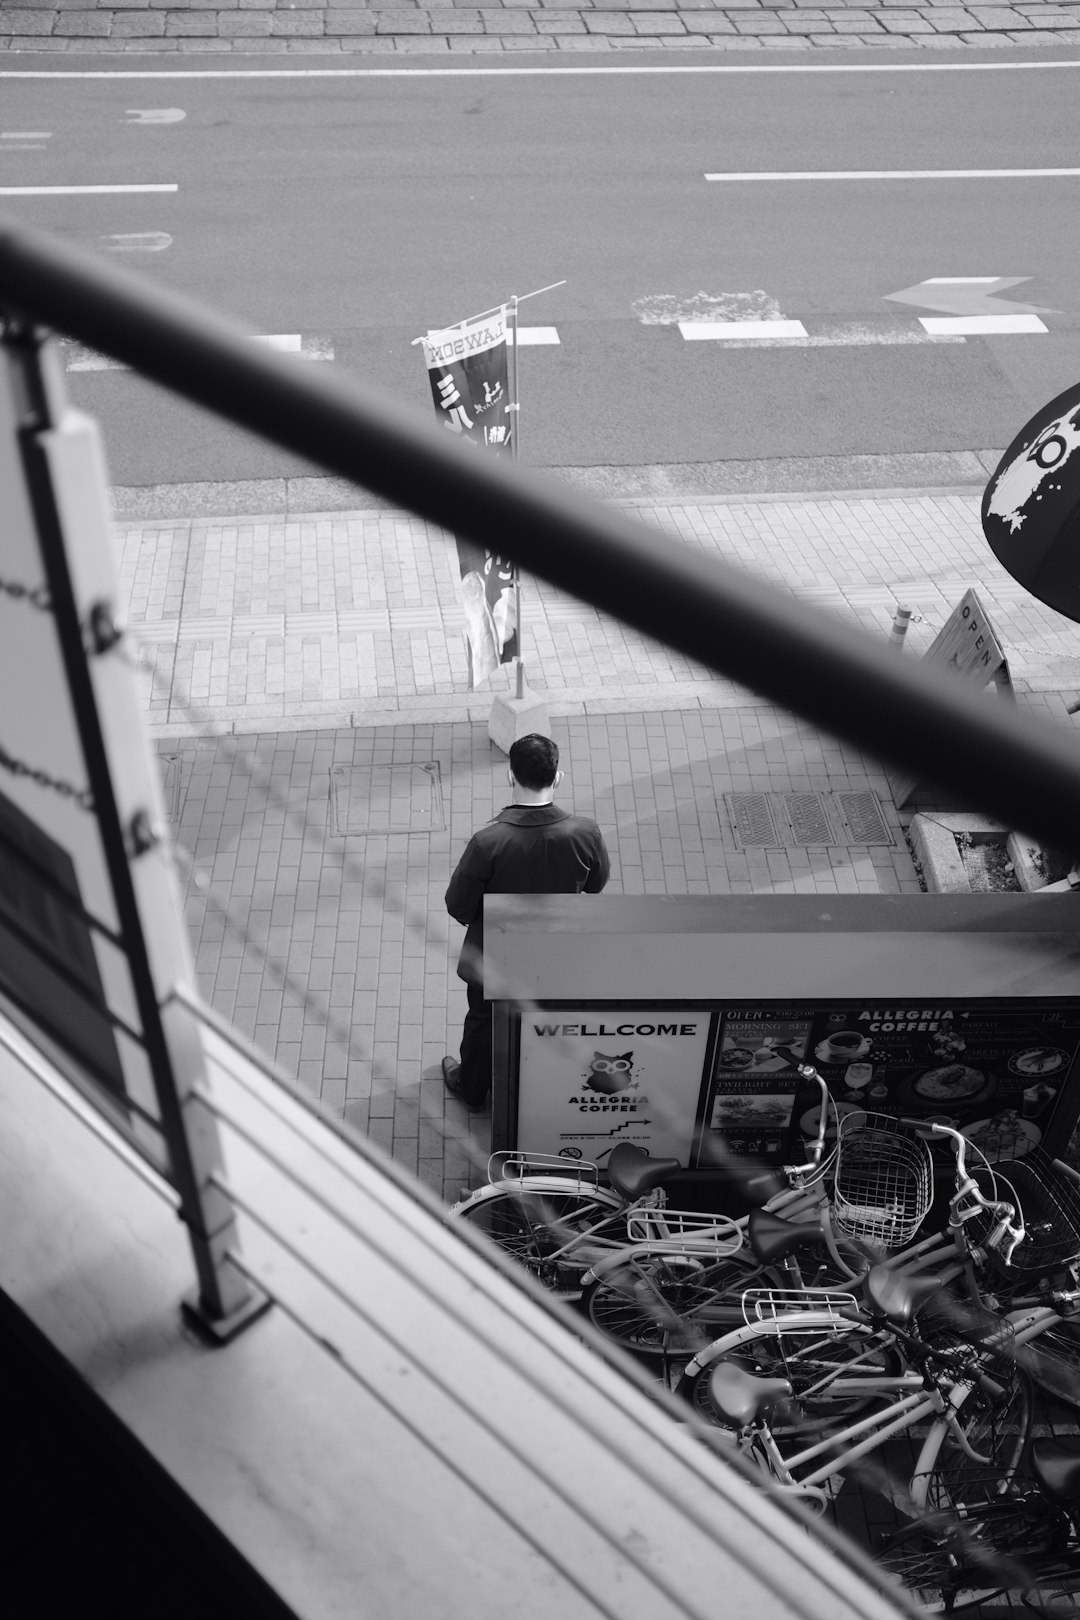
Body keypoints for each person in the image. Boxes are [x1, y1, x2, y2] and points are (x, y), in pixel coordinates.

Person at [442, 734, 611, 1110]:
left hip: (494, 958)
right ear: (559, 778)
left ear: (509, 776)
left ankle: (472, 1089)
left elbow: (458, 905)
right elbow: (596, 885)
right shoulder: (586, 831)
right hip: (557, 953)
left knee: (484, 1021)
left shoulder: (488, 842)